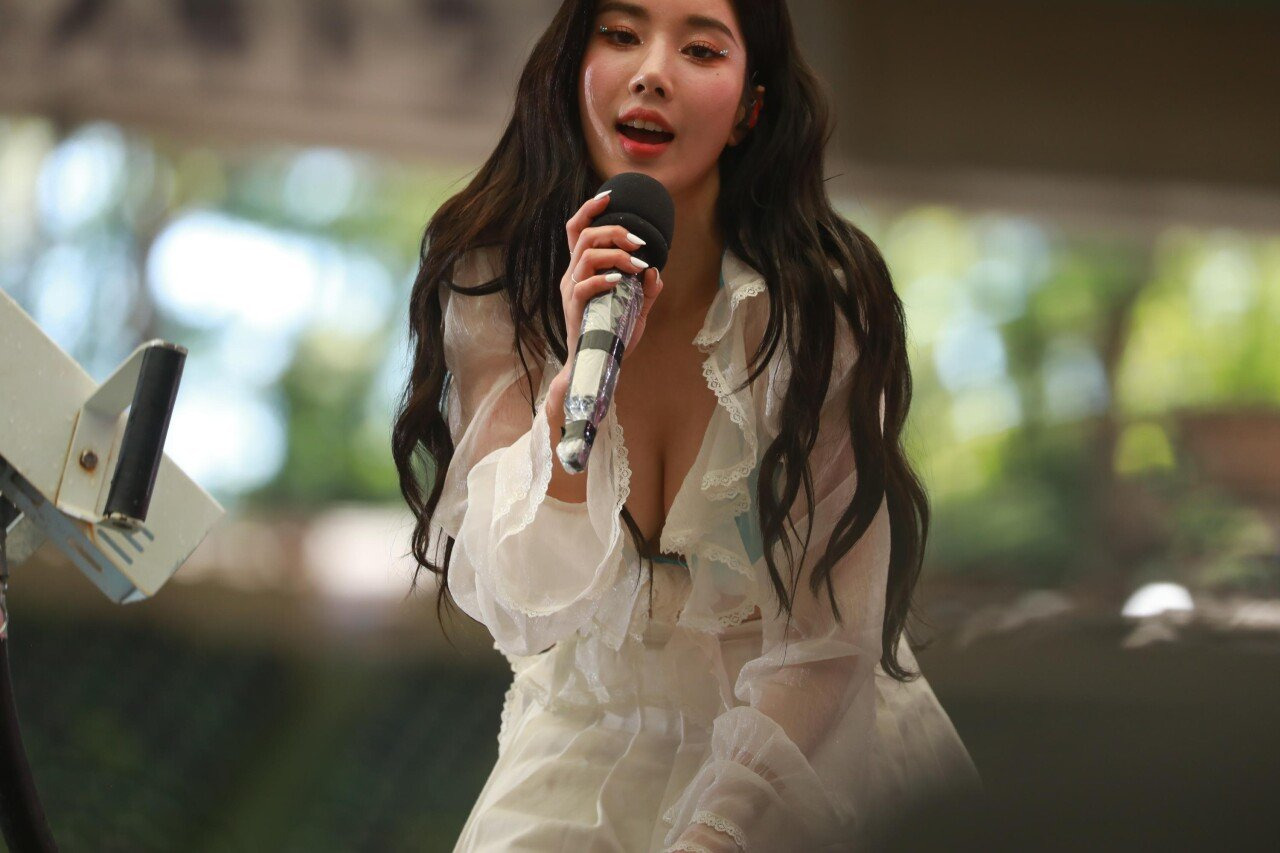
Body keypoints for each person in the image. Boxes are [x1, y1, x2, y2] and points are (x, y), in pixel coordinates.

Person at [391, 1, 983, 850]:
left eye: (700, 49)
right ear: (573, 68)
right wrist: (576, 381)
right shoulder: (495, 280)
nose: (652, 72)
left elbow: (827, 643)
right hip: (585, 755)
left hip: (802, 752)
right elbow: (523, 598)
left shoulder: (819, 309)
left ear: (749, 109)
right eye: (621, 35)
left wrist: (717, 830)